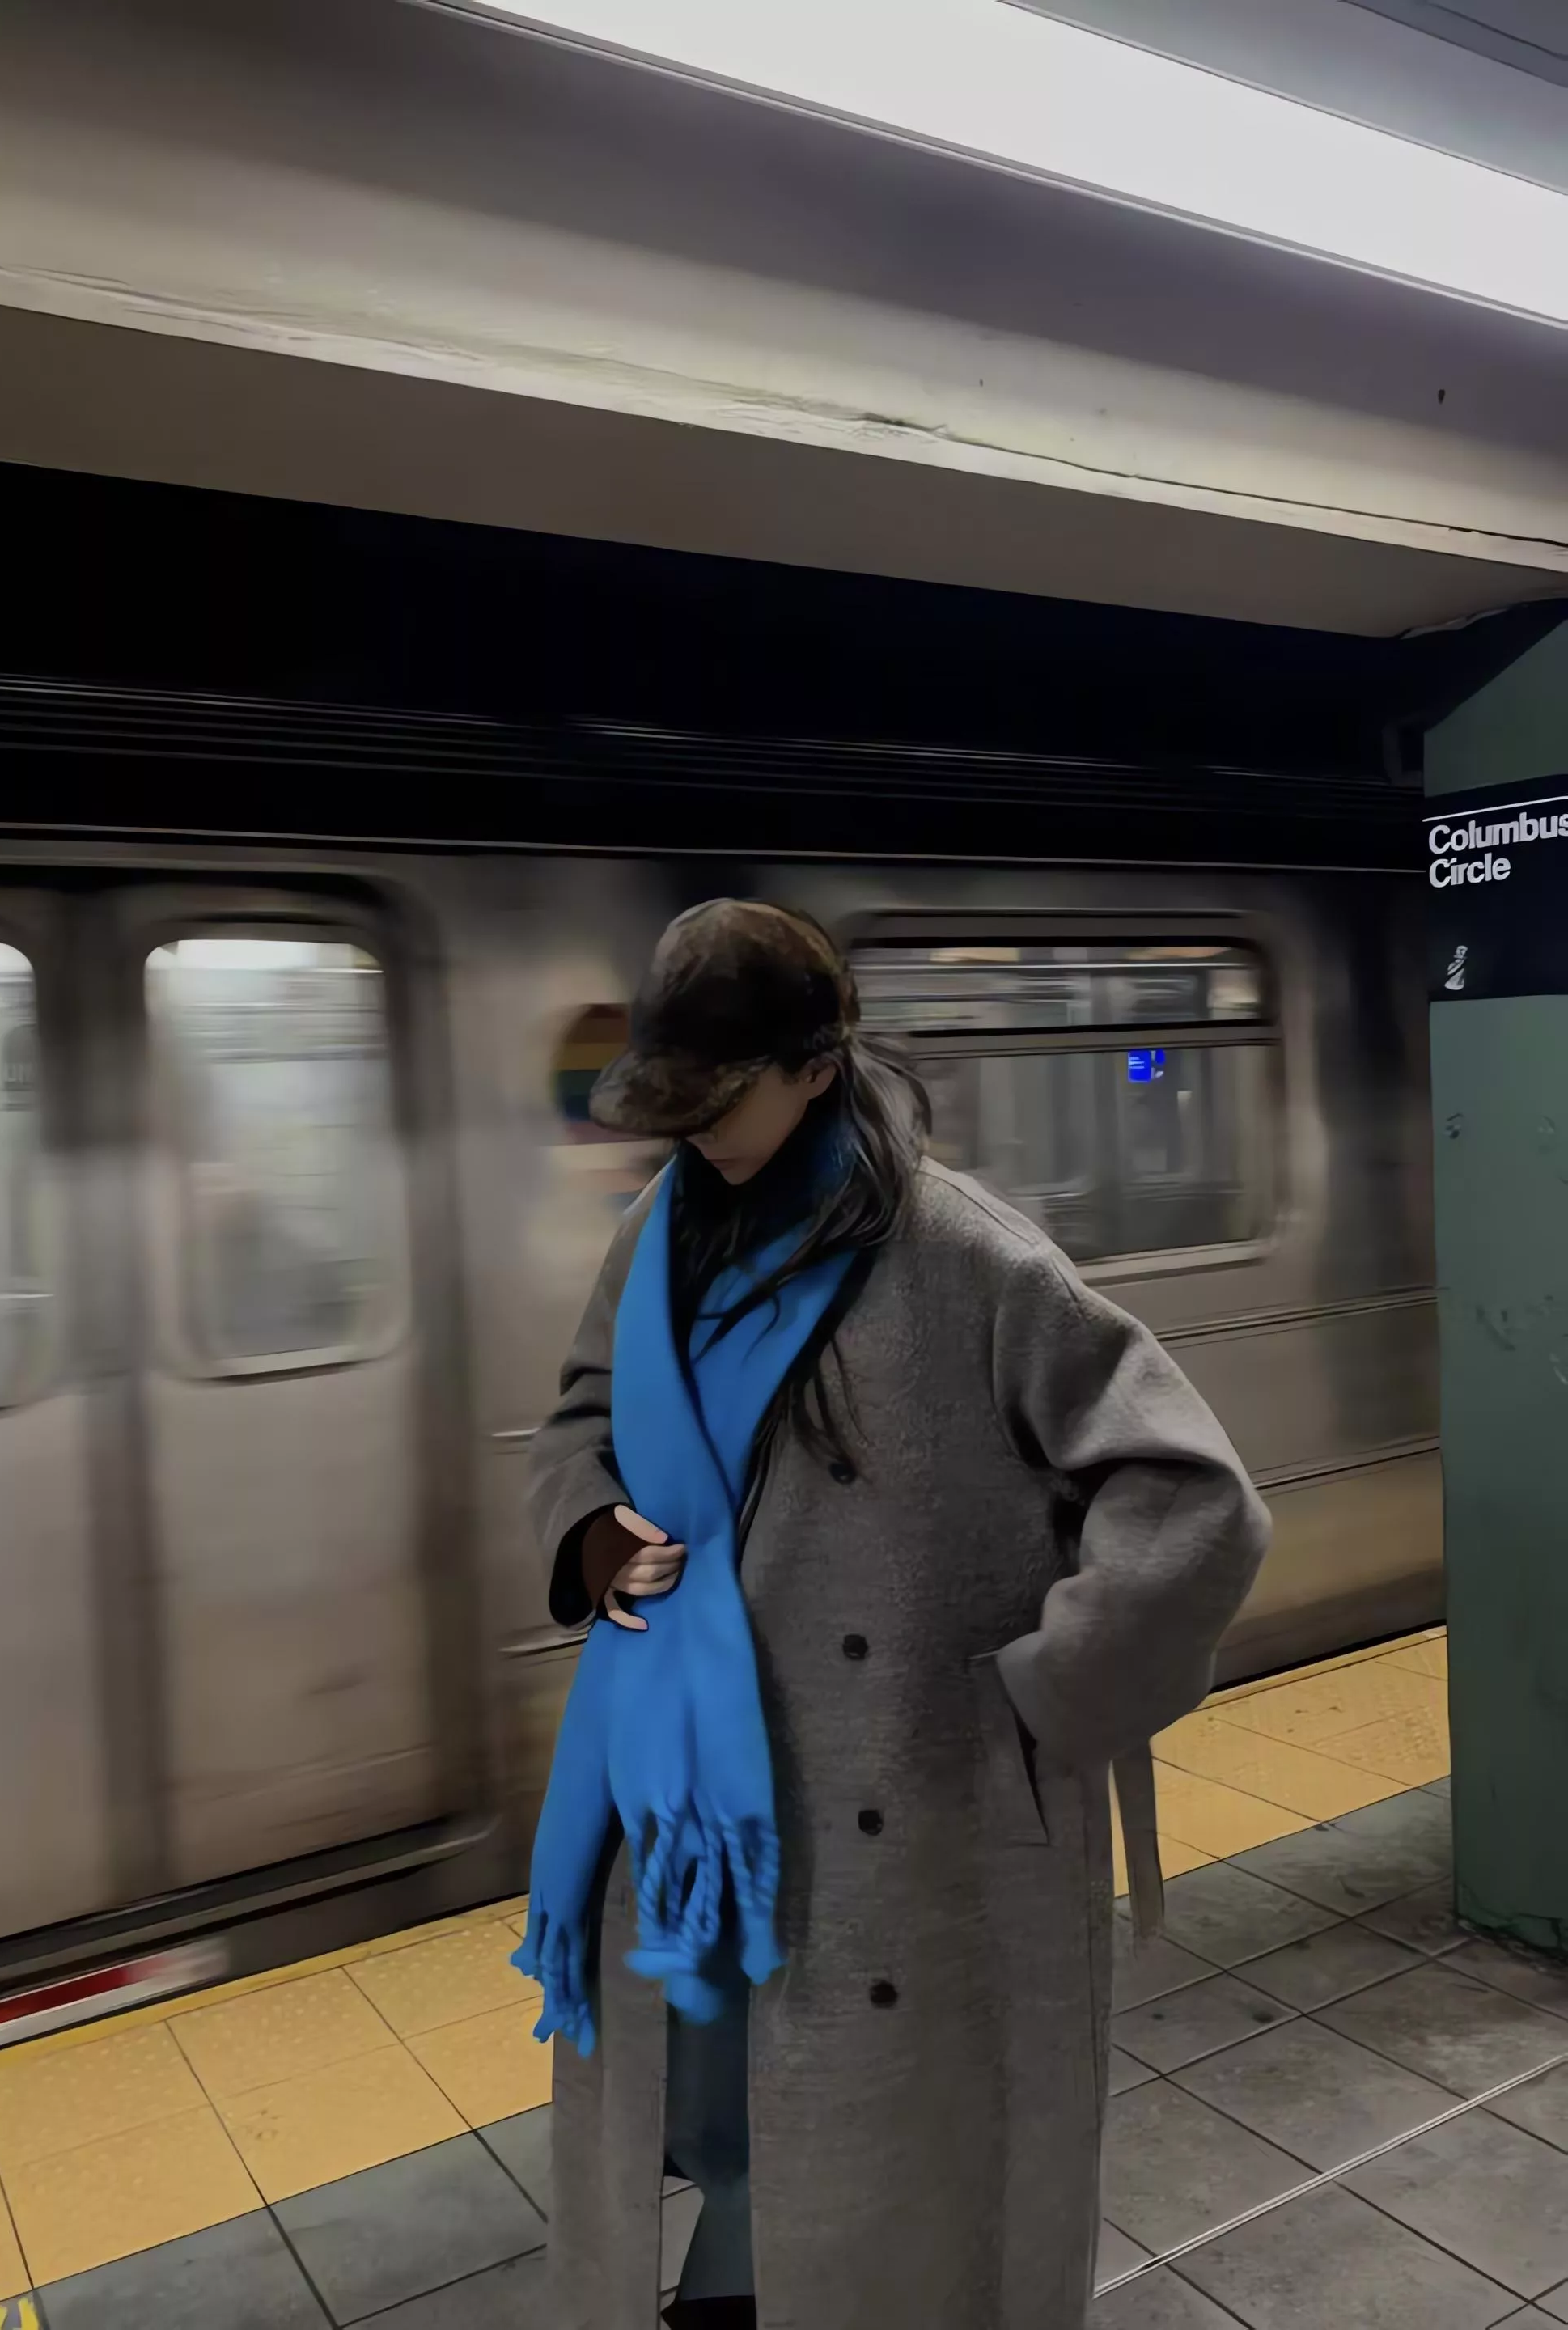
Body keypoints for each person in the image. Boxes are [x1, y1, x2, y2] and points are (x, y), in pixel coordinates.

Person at [515, 900, 1269, 2330]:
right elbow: (578, 1421)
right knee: (723, 2108)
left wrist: (1038, 1707)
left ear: (816, 1068)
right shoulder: (658, 1236)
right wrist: (590, 1530)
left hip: (905, 1827)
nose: (692, 1136)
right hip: (689, 1800)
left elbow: (1194, 1496)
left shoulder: (963, 1257)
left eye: (715, 1101)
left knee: (886, 2198)